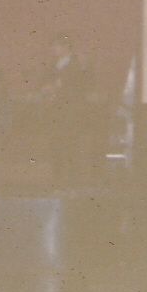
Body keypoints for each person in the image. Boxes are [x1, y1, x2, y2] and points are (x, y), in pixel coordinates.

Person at [42, 34, 92, 188]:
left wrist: (58, 87)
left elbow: (82, 85)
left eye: (56, 46)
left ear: (66, 47)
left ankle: (72, 182)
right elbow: (46, 82)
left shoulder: (78, 63)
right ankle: (57, 180)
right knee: (56, 145)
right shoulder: (53, 65)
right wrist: (47, 89)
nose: (53, 49)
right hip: (55, 111)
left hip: (71, 111)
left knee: (71, 146)